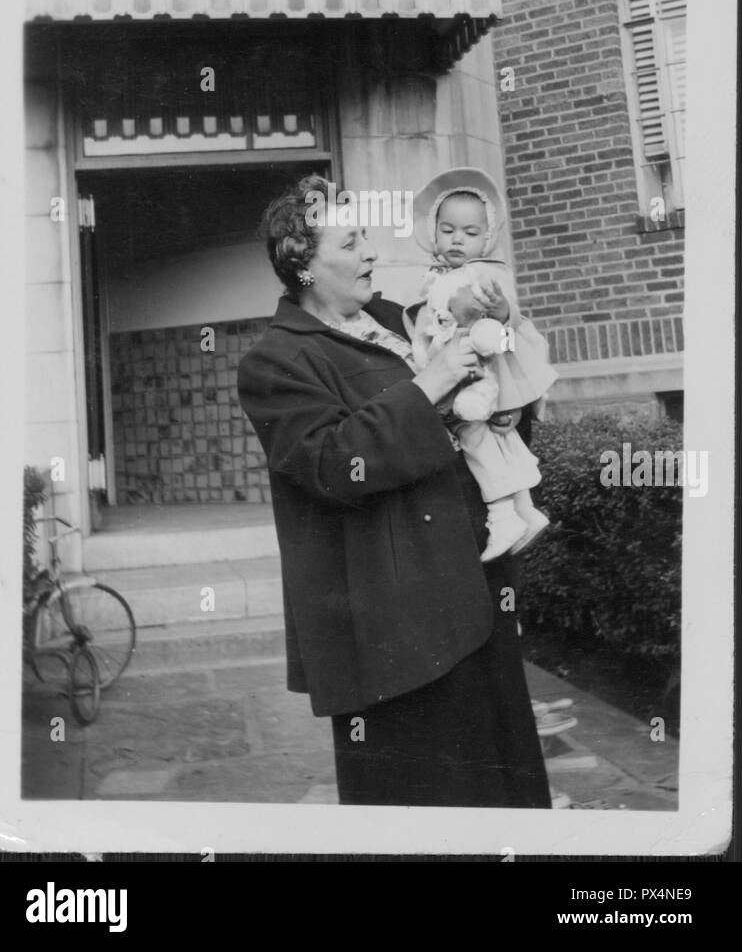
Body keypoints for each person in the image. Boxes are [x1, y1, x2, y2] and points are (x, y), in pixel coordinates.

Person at [237, 173, 551, 808]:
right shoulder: (276, 361)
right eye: (351, 243)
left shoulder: (399, 317)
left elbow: (488, 372)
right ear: (301, 262)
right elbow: (333, 464)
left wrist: (509, 405)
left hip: (475, 584)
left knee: (502, 775)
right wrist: (430, 382)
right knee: (430, 793)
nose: (370, 254)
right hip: (395, 623)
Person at [405, 168, 558, 561]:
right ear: (432, 231)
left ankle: (503, 514)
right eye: (448, 229)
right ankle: (525, 508)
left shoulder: (486, 274)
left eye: (471, 233)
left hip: (485, 375)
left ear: (487, 238)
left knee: (473, 434)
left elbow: (509, 322)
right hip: (466, 372)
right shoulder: (437, 277)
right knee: (498, 441)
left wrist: (501, 310)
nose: (458, 239)